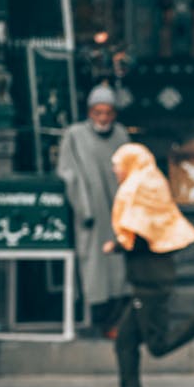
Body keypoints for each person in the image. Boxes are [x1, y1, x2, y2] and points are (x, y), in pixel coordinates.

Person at [102, 143, 194, 387]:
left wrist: (116, 245)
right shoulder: (150, 182)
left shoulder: (140, 188)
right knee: (125, 340)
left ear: (130, 163)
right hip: (151, 278)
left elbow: (141, 236)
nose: (116, 170)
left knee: (158, 346)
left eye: (118, 165)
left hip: (149, 283)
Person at [56, 83, 130, 335]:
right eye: (98, 112)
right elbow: (69, 172)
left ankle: (117, 320)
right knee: (94, 266)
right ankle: (97, 320)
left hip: (119, 212)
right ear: (89, 112)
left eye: (107, 113)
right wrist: (83, 208)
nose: (103, 118)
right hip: (91, 212)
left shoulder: (120, 135)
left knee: (119, 268)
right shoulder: (75, 135)